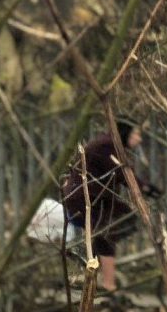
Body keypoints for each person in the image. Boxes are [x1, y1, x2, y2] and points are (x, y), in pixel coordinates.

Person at [62, 120, 146, 293]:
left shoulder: (110, 145)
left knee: (117, 224)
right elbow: (123, 174)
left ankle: (93, 270)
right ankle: (105, 281)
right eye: (135, 134)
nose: (139, 139)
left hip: (95, 199)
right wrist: (146, 189)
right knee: (108, 232)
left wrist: (145, 188)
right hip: (84, 200)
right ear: (125, 133)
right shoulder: (106, 146)